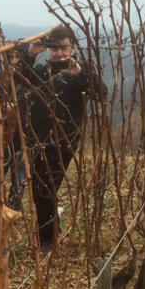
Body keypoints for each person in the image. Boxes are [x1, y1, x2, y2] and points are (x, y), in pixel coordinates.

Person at [23, 24, 105, 251]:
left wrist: (82, 75)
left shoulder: (79, 72)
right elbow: (20, 79)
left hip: (64, 141)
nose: (59, 53)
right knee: (39, 188)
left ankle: (47, 241)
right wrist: (31, 54)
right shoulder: (44, 71)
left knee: (45, 188)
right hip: (37, 139)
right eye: (54, 48)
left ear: (73, 47)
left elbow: (102, 93)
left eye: (63, 48)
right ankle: (50, 232)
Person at [0, 43, 44, 228]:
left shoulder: (32, 80)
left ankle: (11, 215)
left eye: (17, 57)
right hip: (2, 141)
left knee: (19, 182)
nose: (14, 61)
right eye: (11, 57)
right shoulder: (0, 78)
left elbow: (38, 109)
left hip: (24, 140)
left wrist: (22, 119)